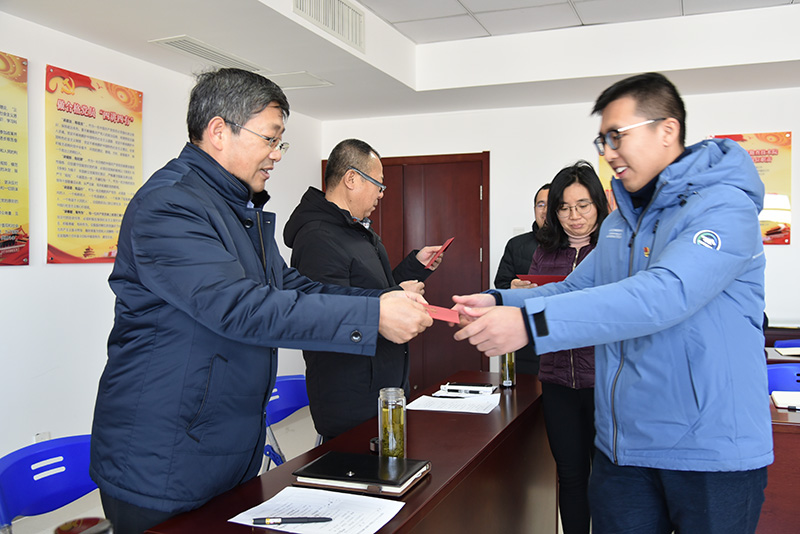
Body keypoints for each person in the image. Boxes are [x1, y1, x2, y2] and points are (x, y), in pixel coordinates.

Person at [89, 68, 433, 534]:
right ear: (218, 131)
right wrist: (372, 316)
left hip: (222, 445)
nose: (276, 155)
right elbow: (240, 307)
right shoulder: (170, 205)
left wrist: (383, 300)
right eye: (270, 139)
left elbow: (292, 287)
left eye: (280, 143)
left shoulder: (238, 210)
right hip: (165, 454)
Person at [452, 72, 772, 534]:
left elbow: (664, 294)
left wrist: (531, 325)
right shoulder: (622, 223)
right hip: (625, 448)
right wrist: (497, 299)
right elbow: (574, 288)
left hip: (709, 449)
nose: (608, 152)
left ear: (667, 130)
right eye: (602, 140)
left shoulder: (724, 209)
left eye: (617, 136)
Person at [283, 138, 444, 440]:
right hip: (352, 400)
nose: (382, 193)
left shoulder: (357, 230)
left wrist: (414, 267)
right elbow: (329, 313)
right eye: (378, 184)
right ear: (352, 179)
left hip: (382, 388)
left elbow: (375, 290)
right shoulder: (318, 237)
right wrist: (390, 298)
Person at [530, 161, 607, 534]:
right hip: (557, 380)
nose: (574, 217)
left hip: (604, 382)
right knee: (571, 474)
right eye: (564, 208)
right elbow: (540, 328)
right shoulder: (544, 253)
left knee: (608, 475)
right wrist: (529, 302)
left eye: (583, 206)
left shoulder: (614, 250)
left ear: (598, 205)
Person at [493, 183, 550, 374]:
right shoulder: (516, 245)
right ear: (534, 209)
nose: (545, 210)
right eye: (540, 205)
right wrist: (512, 287)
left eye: (551, 204)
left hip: (560, 330)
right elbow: (500, 284)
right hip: (524, 333)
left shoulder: (575, 245)